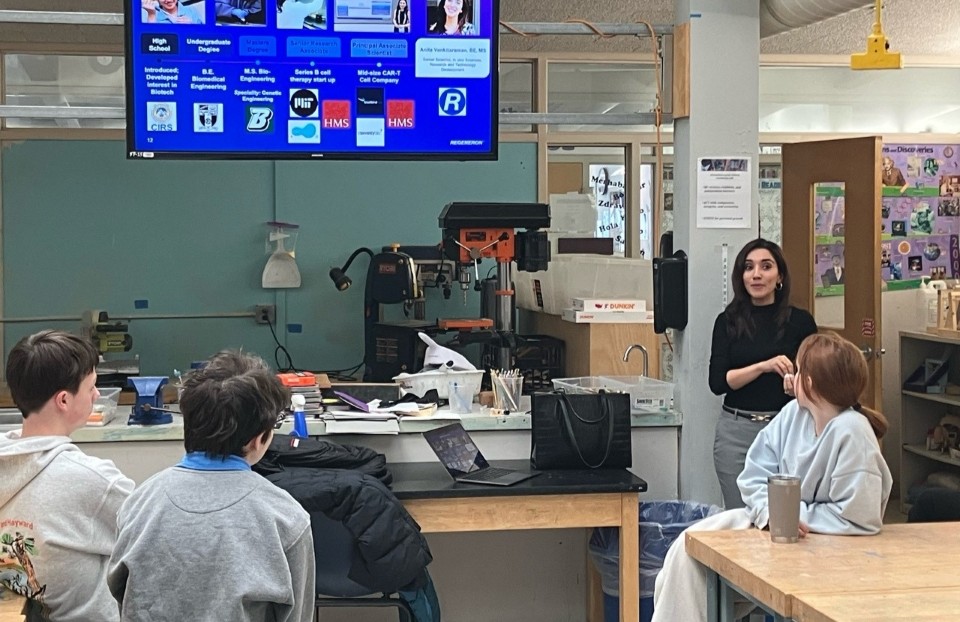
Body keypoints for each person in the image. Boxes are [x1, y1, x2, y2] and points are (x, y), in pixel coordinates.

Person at [653, 332, 893, 622]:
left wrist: (792, 515)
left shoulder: (853, 431)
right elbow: (753, 475)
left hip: (829, 550)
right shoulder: (793, 414)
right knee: (687, 552)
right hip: (775, 533)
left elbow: (860, 516)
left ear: (810, 382)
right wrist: (770, 513)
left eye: (799, 369)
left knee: (693, 569)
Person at [108, 350, 315, 622]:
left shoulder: (138, 505)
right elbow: (298, 616)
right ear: (258, 439)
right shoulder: (286, 518)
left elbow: (121, 596)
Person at [0, 330, 134, 621]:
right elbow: (156, 537)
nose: (97, 395)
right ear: (63, 400)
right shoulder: (93, 481)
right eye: (92, 387)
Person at [709, 238, 817, 509]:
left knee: (787, 514)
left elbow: (817, 380)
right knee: (740, 515)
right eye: (749, 267)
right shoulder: (727, 322)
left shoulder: (800, 322)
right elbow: (718, 382)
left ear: (779, 275)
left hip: (788, 428)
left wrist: (797, 386)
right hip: (736, 431)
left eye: (766, 266)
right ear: (741, 276)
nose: (756, 274)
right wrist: (763, 366)